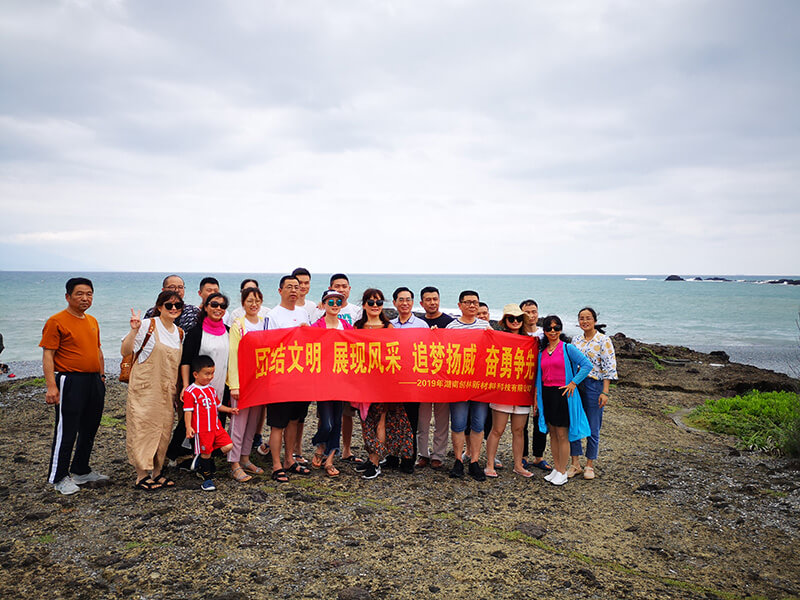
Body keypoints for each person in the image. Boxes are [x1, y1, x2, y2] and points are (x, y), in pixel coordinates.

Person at [40, 277, 108, 495]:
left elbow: (97, 350)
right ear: (68, 296)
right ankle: (59, 477)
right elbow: (48, 355)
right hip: (70, 380)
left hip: (93, 380)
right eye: (80, 294)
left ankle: (81, 470)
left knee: (90, 428)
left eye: (89, 294)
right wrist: (51, 386)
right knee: (67, 430)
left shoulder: (92, 320)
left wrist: (102, 377)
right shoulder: (56, 321)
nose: (85, 298)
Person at [121, 290, 185, 491]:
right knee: (143, 429)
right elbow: (125, 350)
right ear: (159, 307)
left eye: (177, 305)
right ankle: (141, 475)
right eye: (168, 305)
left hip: (167, 390)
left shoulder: (179, 333)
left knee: (164, 430)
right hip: (145, 389)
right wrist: (133, 330)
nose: (173, 308)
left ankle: (157, 472)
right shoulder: (147, 325)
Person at [353, 289, 413, 480]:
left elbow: (397, 354)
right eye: (371, 302)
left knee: (380, 420)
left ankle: (375, 462)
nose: (375, 306)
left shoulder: (388, 327)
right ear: (364, 305)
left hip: (383, 384)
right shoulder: (357, 327)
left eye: (379, 303)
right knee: (365, 421)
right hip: (363, 383)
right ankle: (371, 457)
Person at [166, 292, 231, 464]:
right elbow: (186, 361)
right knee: (190, 421)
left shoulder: (229, 331)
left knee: (215, 420)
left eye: (222, 306)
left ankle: (206, 456)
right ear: (206, 307)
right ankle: (172, 454)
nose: (218, 308)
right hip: (197, 387)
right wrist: (186, 386)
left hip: (219, 385)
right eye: (214, 304)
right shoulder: (196, 332)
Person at [535, 315, 593, 486]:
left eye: (556, 327)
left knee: (562, 434)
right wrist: (537, 399)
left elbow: (587, 365)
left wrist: (573, 382)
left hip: (563, 395)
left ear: (561, 329)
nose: (553, 331)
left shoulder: (568, 348)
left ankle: (562, 471)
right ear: (544, 331)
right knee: (552, 433)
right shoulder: (542, 352)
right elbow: (539, 378)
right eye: (549, 328)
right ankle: (556, 468)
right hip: (547, 394)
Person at [265, 275, 311, 483]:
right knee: (277, 424)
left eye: (296, 287)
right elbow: (267, 344)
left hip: (300, 376)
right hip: (280, 377)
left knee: (294, 421)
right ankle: (276, 464)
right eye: (289, 287)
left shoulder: (303, 312)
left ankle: (289, 459)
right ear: (280, 290)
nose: (294, 290)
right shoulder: (273, 315)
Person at [485, 304, 537, 478]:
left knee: (519, 430)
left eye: (518, 318)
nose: (515, 321)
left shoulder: (531, 341)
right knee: (497, 429)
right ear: (505, 320)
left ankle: (518, 465)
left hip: (522, 391)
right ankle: (489, 463)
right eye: (511, 318)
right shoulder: (498, 337)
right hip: (503, 391)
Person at [446, 290, 492, 481]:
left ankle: (474, 461)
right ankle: (458, 460)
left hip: (480, 384)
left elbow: (495, 349)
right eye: (468, 302)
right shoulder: (451, 327)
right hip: (458, 385)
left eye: (475, 302)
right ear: (460, 305)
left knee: (478, 424)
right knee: (458, 423)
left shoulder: (485, 326)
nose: (472, 305)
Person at [568, 307, 618, 480]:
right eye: (581, 318)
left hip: (594, 385)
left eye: (588, 318)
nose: (585, 321)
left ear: (595, 321)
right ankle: (575, 463)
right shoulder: (575, 340)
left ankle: (589, 464)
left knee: (593, 425)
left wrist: (605, 392)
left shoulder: (603, 340)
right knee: (574, 422)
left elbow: (609, 367)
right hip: (576, 384)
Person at [226, 286, 268, 483]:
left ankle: (245, 457)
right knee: (239, 423)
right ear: (243, 303)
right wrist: (234, 384)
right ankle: (233, 463)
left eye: (257, 301)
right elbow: (233, 356)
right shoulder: (238, 325)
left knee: (252, 423)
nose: (254, 304)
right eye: (250, 301)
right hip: (242, 382)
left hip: (258, 383)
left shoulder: (265, 323)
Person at [309, 289, 353, 477]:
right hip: (323, 381)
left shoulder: (346, 326)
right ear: (324, 304)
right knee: (326, 423)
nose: (335, 305)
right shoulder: (316, 326)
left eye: (338, 302)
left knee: (337, 421)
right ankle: (319, 446)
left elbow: (358, 346)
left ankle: (330, 460)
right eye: (331, 302)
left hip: (342, 380)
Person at [387, 286, 428, 473]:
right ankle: (392, 457)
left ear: (413, 302)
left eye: (408, 299)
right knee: (392, 418)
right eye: (401, 300)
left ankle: (408, 459)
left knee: (411, 420)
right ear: (394, 302)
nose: (405, 303)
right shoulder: (389, 325)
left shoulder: (422, 325)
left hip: (412, 381)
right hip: (392, 380)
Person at [183, 355, 238, 491]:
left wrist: (230, 410)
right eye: (207, 374)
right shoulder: (190, 392)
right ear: (195, 374)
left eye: (212, 373)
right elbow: (188, 411)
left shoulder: (211, 389)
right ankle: (207, 479)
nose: (210, 377)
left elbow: (217, 405)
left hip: (215, 427)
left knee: (228, 445)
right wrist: (188, 427)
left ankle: (202, 459)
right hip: (202, 429)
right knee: (206, 452)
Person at [327, 273, 363, 464]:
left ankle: (347, 450)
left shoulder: (357, 311)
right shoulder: (323, 309)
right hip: (327, 370)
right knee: (326, 414)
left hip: (348, 370)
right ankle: (326, 450)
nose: (340, 289)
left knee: (347, 413)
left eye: (344, 286)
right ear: (330, 289)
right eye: (336, 286)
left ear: (349, 289)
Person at [416, 286, 452, 469]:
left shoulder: (450, 323)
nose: (432, 303)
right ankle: (422, 454)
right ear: (422, 303)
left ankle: (438, 455)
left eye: (435, 299)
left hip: (443, 379)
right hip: (422, 378)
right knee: (422, 420)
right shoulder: (419, 323)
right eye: (428, 300)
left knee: (442, 420)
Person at [519, 298, 551, 472]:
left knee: (540, 419)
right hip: (522, 383)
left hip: (543, 382)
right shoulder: (517, 334)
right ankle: (522, 456)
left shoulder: (545, 334)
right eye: (527, 312)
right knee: (521, 421)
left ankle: (539, 456)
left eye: (534, 312)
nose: (531, 315)